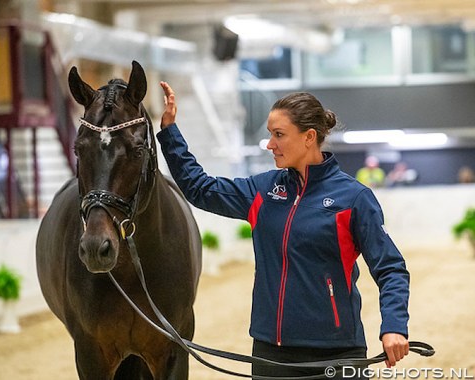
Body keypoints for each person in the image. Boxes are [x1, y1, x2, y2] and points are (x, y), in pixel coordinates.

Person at [157, 83, 410, 378]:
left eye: (279, 135)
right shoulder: (263, 190)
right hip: (269, 350)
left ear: (309, 137)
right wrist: (169, 132)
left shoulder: (353, 198)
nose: (269, 143)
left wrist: (394, 326)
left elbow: (391, 268)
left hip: (335, 352)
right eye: (270, 133)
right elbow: (200, 188)